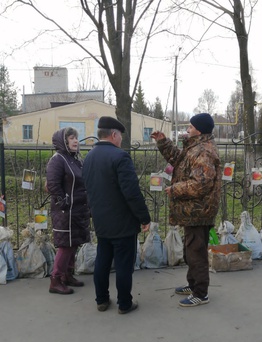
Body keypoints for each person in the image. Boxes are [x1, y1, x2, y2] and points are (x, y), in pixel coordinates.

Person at [151, 113, 222, 307]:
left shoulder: (204, 151)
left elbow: (202, 183)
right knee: (191, 250)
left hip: (199, 211)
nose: (187, 129)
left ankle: (200, 293)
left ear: (198, 130)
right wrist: (163, 142)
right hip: (193, 210)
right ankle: (193, 284)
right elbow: (179, 160)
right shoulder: (194, 146)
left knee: (196, 252)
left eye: (190, 127)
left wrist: (175, 189)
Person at [82, 116, 151, 314]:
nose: (120, 140)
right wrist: (144, 217)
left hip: (101, 220)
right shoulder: (120, 157)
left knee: (103, 260)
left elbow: (88, 188)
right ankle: (124, 303)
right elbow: (131, 192)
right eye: (120, 135)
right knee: (123, 263)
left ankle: (101, 300)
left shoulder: (89, 157)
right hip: (122, 222)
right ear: (113, 135)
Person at [46, 127, 91, 295]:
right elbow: (53, 185)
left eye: (76, 138)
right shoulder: (57, 160)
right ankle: (55, 280)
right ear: (63, 141)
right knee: (65, 245)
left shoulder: (75, 160)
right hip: (65, 212)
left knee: (73, 243)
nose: (75, 141)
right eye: (71, 138)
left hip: (78, 210)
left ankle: (67, 274)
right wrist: (64, 203)